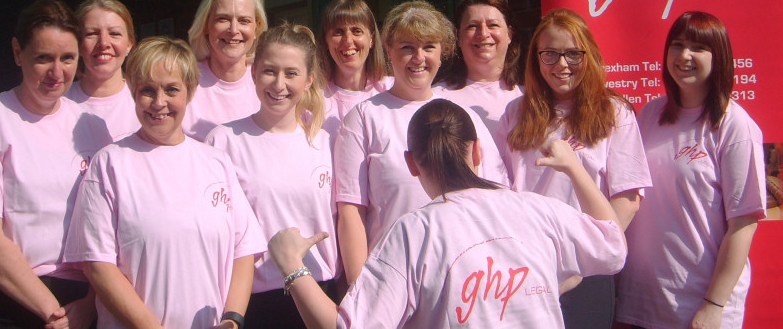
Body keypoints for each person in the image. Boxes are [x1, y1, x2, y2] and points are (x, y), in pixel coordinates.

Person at [267, 99, 627, 328]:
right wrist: (575, 168)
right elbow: (612, 245)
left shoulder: (413, 233)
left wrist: (293, 266)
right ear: (478, 151)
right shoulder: (536, 209)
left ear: (411, 163)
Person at [64, 36, 267, 328]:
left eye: (172, 89)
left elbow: (244, 250)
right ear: (133, 93)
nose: (159, 102)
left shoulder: (216, 162)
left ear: (190, 91)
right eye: (147, 90)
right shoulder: (108, 164)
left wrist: (232, 319)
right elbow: (97, 265)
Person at [335, 0, 508, 284]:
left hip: (464, 276)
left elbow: (495, 196)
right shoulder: (363, 118)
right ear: (389, 50)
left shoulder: (464, 116)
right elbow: (351, 211)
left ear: (442, 52)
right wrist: (360, 290)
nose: (418, 57)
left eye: (428, 47)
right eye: (407, 47)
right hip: (394, 278)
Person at [498, 8, 651, 328]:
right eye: (550, 54)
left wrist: (584, 260)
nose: (561, 64)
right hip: (527, 266)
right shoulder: (516, 113)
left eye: (572, 54)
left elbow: (628, 200)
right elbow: (502, 192)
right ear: (536, 59)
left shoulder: (614, 112)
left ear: (588, 55)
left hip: (588, 272)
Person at [616, 12, 766, 329]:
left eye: (698, 47)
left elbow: (743, 224)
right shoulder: (651, 113)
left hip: (697, 306)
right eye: (677, 45)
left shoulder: (734, 126)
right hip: (640, 301)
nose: (684, 56)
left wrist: (714, 305)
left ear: (718, 56)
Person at [0, 0, 112, 328]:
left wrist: (90, 304)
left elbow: (112, 228)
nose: (57, 72)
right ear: (17, 52)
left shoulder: (93, 127)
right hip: (9, 296)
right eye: (43, 58)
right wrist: (54, 313)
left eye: (68, 58)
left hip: (85, 300)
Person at [205, 24, 338, 328]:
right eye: (269, 71)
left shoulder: (325, 142)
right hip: (255, 299)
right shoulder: (223, 141)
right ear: (253, 73)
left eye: (291, 73)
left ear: (309, 79)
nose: (279, 84)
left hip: (320, 290)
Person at [183, 0, 268, 140]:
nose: (234, 30)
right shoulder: (184, 80)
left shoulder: (270, 82)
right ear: (206, 25)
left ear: (256, 28)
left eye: (244, 21)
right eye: (223, 19)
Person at [433, 0, 522, 138]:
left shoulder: (531, 96)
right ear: (458, 37)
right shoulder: (437, 98)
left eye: (493, 25)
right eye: (472, 26)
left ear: (509, 35)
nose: (483, 33)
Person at [318, 0, 392, 140]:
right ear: (326, 41)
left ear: (371, 39)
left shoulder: (391, 90)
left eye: (357, 31)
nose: (348, 41)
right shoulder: (314, 99)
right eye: (338, 32)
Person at [67, 0, 140, 141]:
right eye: (92, 33)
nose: (104, 43)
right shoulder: (58, 102)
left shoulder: (146, 102)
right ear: (78, 44)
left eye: (115, 33)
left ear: (129, 44)